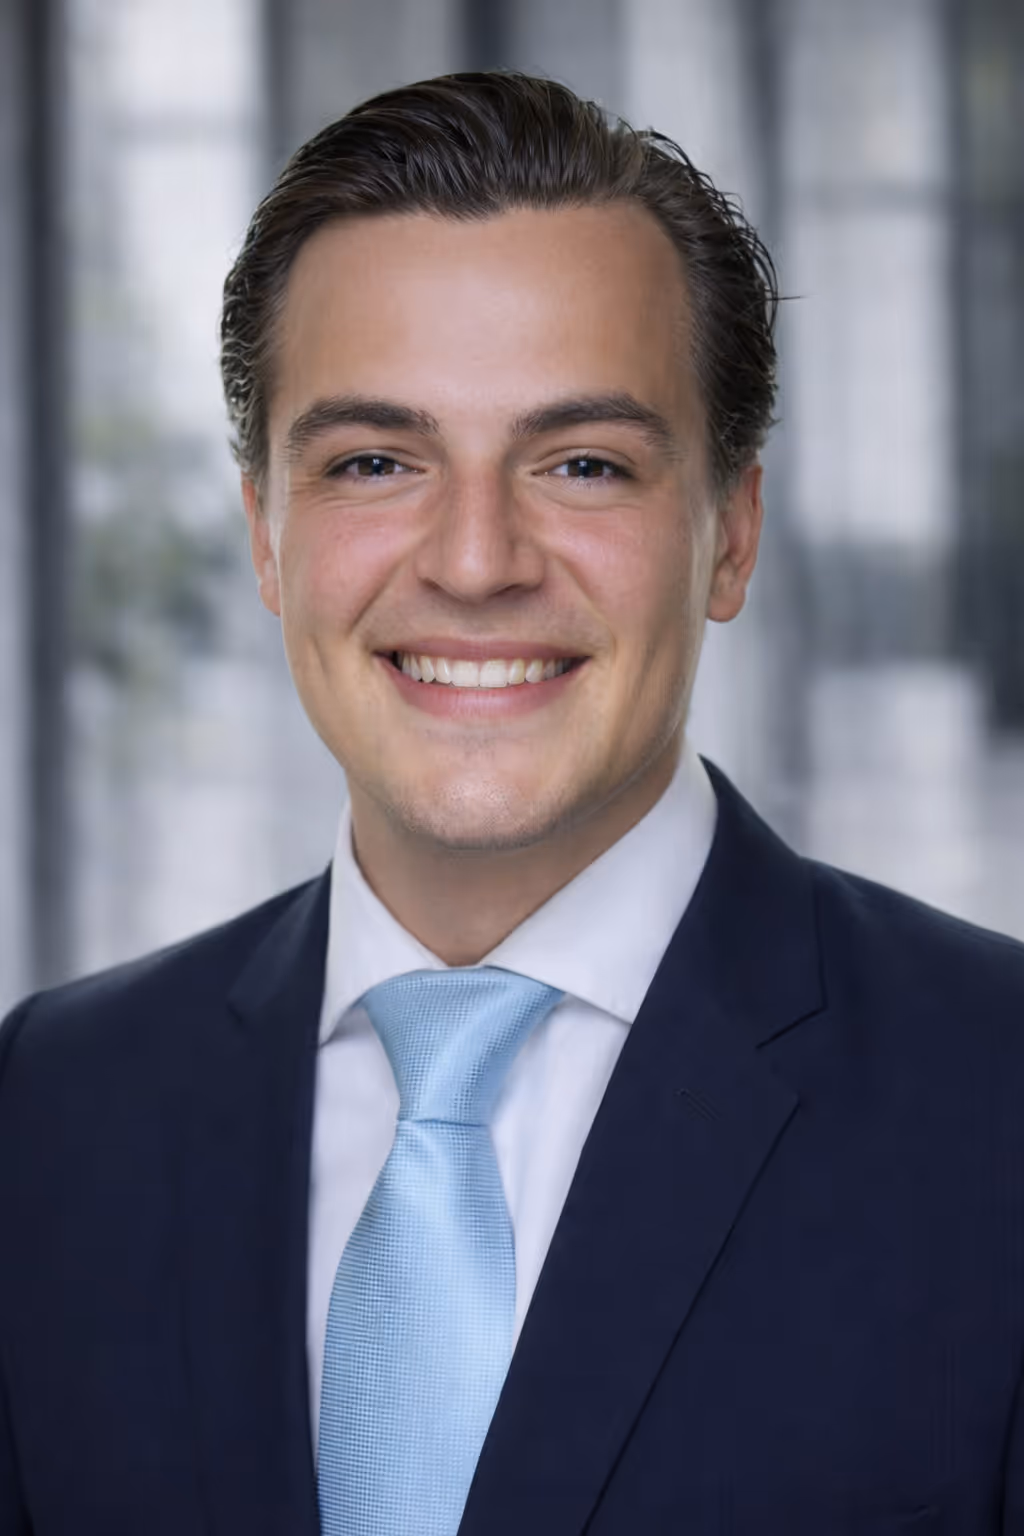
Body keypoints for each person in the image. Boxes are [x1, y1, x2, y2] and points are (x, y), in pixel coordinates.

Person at [1, 69, 1023, 1536]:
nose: (475, 561)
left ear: (731, 533)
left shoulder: (996, 1101)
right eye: (374, 462)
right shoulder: (50, 1109)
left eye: (583, 464)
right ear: (267, 537)